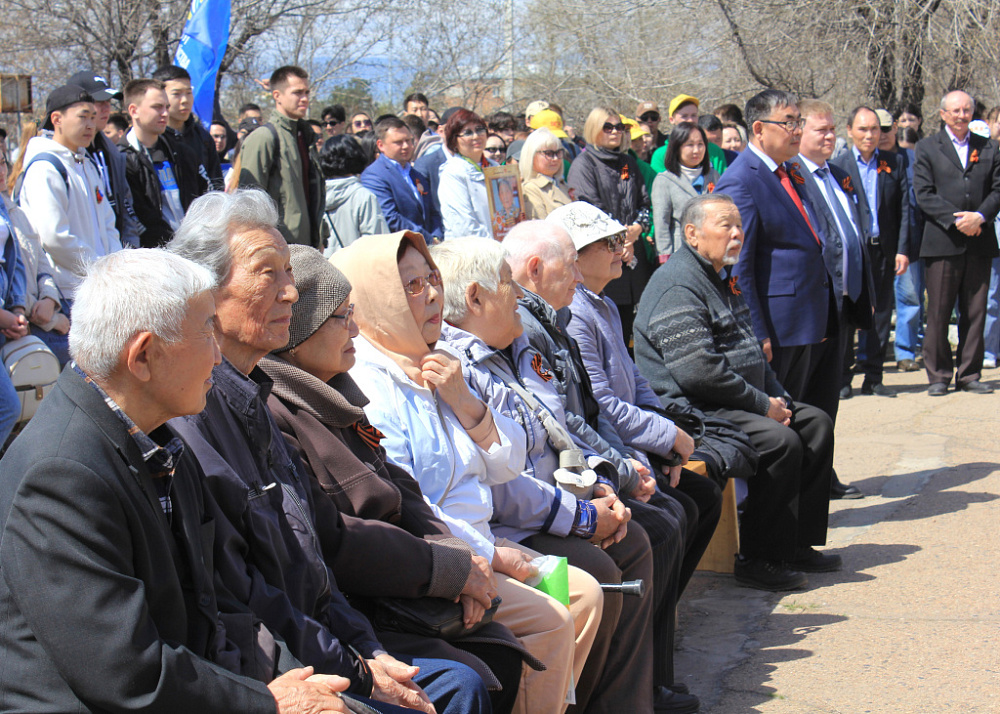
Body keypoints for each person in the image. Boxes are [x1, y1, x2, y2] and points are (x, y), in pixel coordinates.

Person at [167, 191, 491, 714]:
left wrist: (367, 648)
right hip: (280, 662)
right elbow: (247, 587)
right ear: (205, 288)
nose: (290, 292)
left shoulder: (256, 395)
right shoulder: (199, 410)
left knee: (473, 674)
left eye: (288, 274)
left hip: (341, 629)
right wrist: (358, 664)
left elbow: (312, 551)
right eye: (267, 273)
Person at [0, 247, 362, 713]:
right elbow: (127, 675)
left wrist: (324, 682)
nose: (217, 357)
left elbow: (215, 607)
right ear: (144, 356)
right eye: (206, 333)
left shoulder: (160, 439)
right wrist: (268, 703)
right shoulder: (63, 476)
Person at [259, 246, 569, 714]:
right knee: (488, 663)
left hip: (438, 566)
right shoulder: (289, 410)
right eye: (341, 318)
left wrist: (458, 560)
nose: (356, 330)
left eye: (433, 279)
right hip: (378, 598)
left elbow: (407, 487)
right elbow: (336, 537)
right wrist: (455, 568)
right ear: (296, 335)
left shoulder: (352, 388)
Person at [332, 231, 603, 714]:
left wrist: (465, 402)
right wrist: (483, 558)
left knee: (583, 595)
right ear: (379, 299)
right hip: (444, 553)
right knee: (555, 618)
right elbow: (412, 502)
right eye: (411, 286)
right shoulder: (373, 385)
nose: (433, 295)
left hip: (483, 542)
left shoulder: (437, 363)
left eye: (431, 279)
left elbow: (507, 464)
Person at [635, 193, 838, 591]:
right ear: (692, 234)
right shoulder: (677, 285)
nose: (736, 234)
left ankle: (796, 543)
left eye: (739, 225)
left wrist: (779, 397)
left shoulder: (720, 274)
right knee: (779, 441)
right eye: (725, 225)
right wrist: (763, 405)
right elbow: (699, 373)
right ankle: (759, 558)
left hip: (732, 398)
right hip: (693, 408)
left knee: (813, 422)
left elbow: (752, 352)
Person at [791, 99, 875, 424]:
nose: (830, 136)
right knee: (804, 395)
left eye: (832, 129)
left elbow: (855, 236)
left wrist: (864, 293)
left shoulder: (840, 175)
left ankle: (824, 471)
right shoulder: (791, 178)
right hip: (812, 305)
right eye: (821, 129)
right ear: (799, 131)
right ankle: (805, 472)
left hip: (843, 303)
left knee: (829, 394)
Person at [913, 90, 1000, 395]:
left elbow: (998, 189)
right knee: (938, 311)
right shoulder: (926, 148)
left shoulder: (990, 147)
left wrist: (980, 217)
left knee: (975, 311)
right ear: (943, 114)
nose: (962, 115)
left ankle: (969, 374)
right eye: (956, 111)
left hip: (980, 240)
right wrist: (957, 220)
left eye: (967, 110)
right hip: (942, 242)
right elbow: (923, 194)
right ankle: (938, 375)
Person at [833, 105, 911, 398]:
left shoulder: (894, 162)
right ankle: (842, 378)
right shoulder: (838, 165)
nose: (869, 135)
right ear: (850, 130)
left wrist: (903, 250)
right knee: (849, 312)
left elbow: (904, 209)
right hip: (853, 252)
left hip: (884, 251)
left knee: (881, 315)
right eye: (863, 129)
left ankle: (874, 377)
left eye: (875, 129)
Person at [19, 84, 122, 303]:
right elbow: (54, 237)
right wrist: (98, 267)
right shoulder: (45, 167)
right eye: (83, 117)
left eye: (93, 117)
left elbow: (108, 223)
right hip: (67, 291)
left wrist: (115, 264)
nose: (90, 125)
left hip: (100, 285)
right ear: (57, 120)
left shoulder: (86, 163)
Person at [567, 106, 653, 347]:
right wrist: (620, 239)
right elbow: (588, 211)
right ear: (595, 128)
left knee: (635, 326)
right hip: (602, 258)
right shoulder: (584, 164)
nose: (615, 132)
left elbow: (644, 202)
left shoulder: (627, 162)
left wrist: (637, 228)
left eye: (620, 127)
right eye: (608, 126)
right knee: (610, 328)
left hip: (632, 257)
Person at [238, 65, 326, 250]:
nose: (304, 99)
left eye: (307, 92)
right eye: (297, 93)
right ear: (277, 95)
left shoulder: (305, 136)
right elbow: (248, 204)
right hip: (279, 251)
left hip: (308, 249)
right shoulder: (264, 137)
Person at [67, 70, 140, 248]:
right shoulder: (63, 156)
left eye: (108, 102)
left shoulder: (111, 152)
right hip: (82, 260)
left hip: (115, 252)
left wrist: (130, 250)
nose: (106, 108)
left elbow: (125, 205)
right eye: (98, 102)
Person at [121, 79, 196, 248]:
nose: (165, 113)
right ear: (134, 111)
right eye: (157, 107)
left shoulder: (181, 152)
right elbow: (139, 219)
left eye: (166, 107)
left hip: (192, 250)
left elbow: (199, 199)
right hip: (156, 256)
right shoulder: (122, 159)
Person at [360, 116, 443, 241]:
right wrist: (427, 239)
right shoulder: (373, 175)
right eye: (398, 142)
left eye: (409, 141)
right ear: (381, 145)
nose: (406, 146)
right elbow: (390, 217)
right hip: (400, 250)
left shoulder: (416, 174)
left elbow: (432, 212)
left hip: (428, 249)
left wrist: (437, 236)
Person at [651, 122, 721, 259]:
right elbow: (661, 223)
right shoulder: (664, 180)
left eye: (700, 144)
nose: (696, 150)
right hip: (680, 252)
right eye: (690, 145)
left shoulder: (713, 175)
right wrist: (665, 256)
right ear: (677, 148)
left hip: (711, 251)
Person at [151, 65, 224, 193]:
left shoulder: (203, 137)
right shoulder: (152, 138)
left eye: (189, 93)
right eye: (176, 94)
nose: (185, 100)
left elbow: (216, 185)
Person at [319, 135, 388, 255]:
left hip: (324, 268)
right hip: (355, 269)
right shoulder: (363, 196)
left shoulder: (316, 196)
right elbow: (378, 243)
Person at [438, 109, 495, 239]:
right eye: (467, 133)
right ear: (454, 140)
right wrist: (496, 247)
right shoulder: (452, 172)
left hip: (502, 249)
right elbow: (464, 226)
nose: (476, 136)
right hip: (470, 251)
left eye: (480, 130)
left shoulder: (496, 167)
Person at [650, 96, 728, 177]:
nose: (690, 120)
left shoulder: (714, 151)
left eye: (694, 115)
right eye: (684, 116)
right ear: (671, 120)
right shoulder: (661, 154)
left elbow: (722, 183)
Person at [520, 128, 571, 220]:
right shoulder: (530, 188)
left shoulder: (562, 185)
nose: (555, 158)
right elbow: (539, 228)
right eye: (549, 153)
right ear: (532, 156)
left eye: (558, 153)